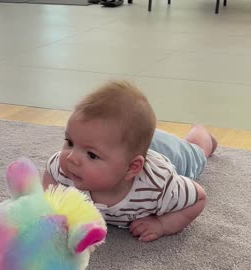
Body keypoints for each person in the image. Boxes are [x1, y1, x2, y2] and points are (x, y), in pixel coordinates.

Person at [43, 80, 217, 242]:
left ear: (131, 168)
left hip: (169, 153)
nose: (71, 157)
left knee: (197, 151)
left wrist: (162, 224)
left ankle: (201, 131)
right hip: (124, 147)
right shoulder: (63, 169)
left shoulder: (159, 186)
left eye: (91, 155)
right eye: (70, 142)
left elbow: (198, 198)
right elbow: (50, 172)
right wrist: (53, 209)